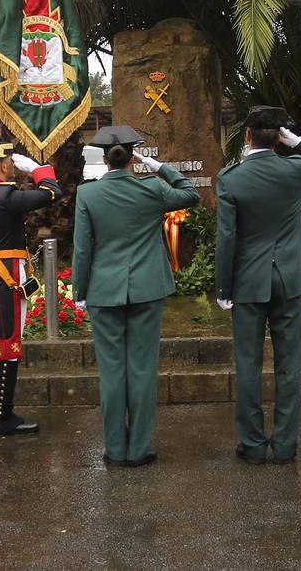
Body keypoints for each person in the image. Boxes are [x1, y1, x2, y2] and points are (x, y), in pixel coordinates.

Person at [72, 125, 200, 466]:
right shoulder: (153, 188)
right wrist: (159, 167)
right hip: (146, 288)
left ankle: (115, 450)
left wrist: (79, 291)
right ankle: (139, 449)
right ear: (133, 158)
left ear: (104, 160)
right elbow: (190, 193)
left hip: (103, 290)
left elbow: (83, 250)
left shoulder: (87, 195)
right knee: (142, 370)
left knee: (112, 373)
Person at [215, 106, 301, 465]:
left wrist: (223, 288)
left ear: (248, 136)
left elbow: (227, 237)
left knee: (248, 364)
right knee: (288, 364)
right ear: (279, 136)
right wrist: (300, 143)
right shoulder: (296, 168)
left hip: (248, 281)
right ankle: (285, 445)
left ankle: (252, 445)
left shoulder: (231, 178)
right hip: (289, 277)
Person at [0, 139, 61, 435]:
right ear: (5, 167)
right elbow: (53, 193)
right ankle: (3, 418)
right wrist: (38, 169)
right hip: (6, 276)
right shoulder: (8, 196)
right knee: (7, 345)